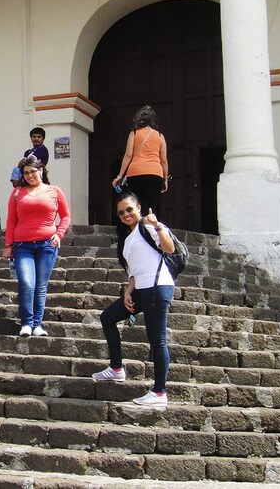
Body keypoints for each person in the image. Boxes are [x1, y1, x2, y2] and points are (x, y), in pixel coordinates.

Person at [93, 192, 175, 408]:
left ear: (138, 207)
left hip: (158, 287)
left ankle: (159, 392)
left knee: (157, 340)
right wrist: (128, 291)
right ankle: (117, 369)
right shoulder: (129, 239)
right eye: (121, 212)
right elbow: (134, 271)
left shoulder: (149, 226)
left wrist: (157, 225)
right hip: (141, 289)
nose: (126, 214)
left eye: (129, 209)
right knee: (108, 317)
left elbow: (169, 248)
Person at [4, 156, 70, 337]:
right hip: (22, 245)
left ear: (41, 170)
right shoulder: (18, 193)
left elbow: (66, 216)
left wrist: (59, 234)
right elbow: (11, 220)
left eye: (32, 171)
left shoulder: (54, 191)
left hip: (47, 244)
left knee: (41, 285)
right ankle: (26, 322)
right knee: (26, 283)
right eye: (26, 173)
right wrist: (8, 245)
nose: (29, 176)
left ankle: (37, 324)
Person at [111, 105, 169, 269]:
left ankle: (132, 240)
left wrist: (120, 175)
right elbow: (163, 160)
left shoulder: (134, 134)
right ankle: (151, 244)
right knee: (150, 211)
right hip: (155, 175)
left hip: (136, 174)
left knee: (135, 208)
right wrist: (165, 180)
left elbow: (128, 155)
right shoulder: (159, 136)